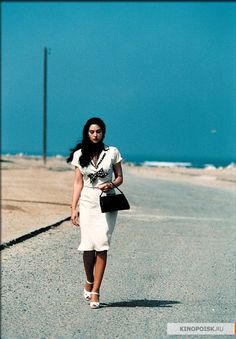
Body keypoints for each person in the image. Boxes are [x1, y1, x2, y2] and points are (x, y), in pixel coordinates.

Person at [67, 117, 123, 309]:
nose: (95, 135)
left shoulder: (112, 152)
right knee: (88, 247)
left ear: (103, 133)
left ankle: (96, 291)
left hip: (107, 201)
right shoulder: (79, 154)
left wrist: (111, 184)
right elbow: (77, 183)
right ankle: (89, 280)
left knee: (102, 245)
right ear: (87, 133)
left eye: (98, 131)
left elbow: (120, 177)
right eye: (91, 132)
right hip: (87, 202)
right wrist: (73, 208)